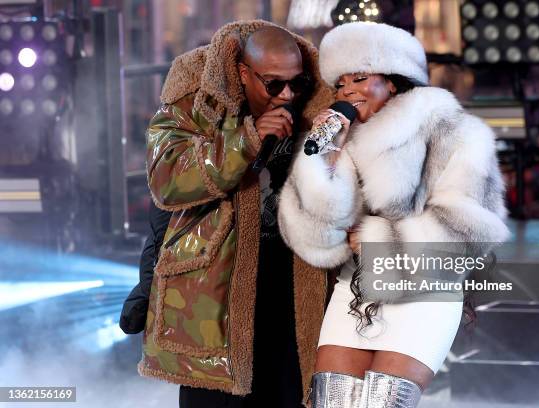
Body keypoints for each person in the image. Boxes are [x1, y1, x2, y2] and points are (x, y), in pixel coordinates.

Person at [278, 22, 510, 407]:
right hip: (355, 292)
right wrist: (319, 157)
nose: (348, 90)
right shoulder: (346, 139)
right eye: (340, 83)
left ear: (395, 82)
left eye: (361, 77)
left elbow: (470, 232)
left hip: (426, 296)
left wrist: (374, 239)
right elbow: (313, 235)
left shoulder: (454, 132)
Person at [130, 20, 334, 407]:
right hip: (216, 286)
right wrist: (248, 139)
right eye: (274, 84)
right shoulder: (195, 100)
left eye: (297, 83)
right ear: (244, 73)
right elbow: (166, 176)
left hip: (294, 280)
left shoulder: (315, 108)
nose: (286, 94)